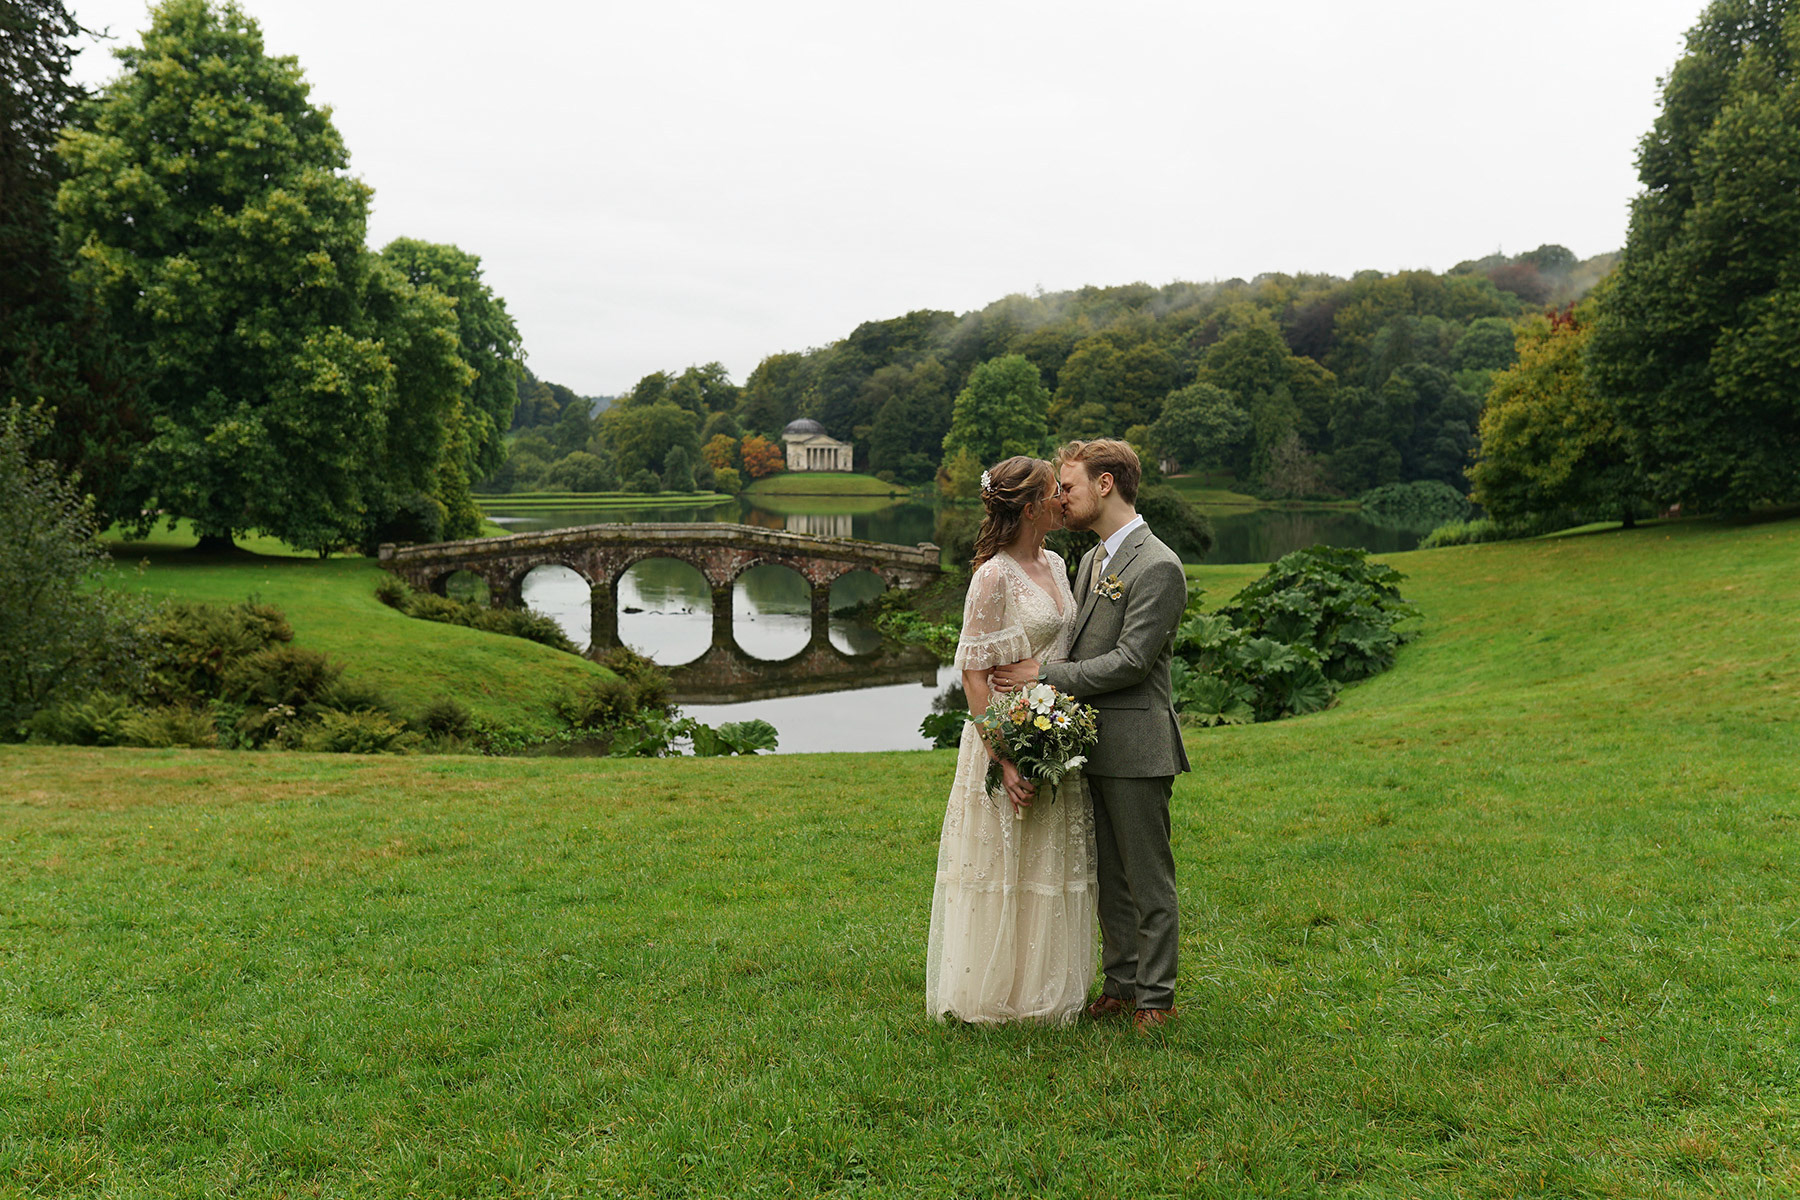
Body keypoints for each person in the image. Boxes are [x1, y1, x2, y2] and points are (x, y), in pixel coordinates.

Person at [991, 439, 1189, 1032]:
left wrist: (1042, 675)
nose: (1061, 498)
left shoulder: (1158, 566)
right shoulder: (1089, 562)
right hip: (1090, 745)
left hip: (1138, 747)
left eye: (1070, 486)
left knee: (1148, 879)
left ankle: (1156, 998)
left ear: (1106, 484)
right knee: (1107, 879)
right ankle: (1121, 985)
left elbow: (1131, 661)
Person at [924, 455, 1098, 1024]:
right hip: (1007, 734)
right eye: (1054, 492)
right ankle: (992, 992)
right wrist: (1003, 756)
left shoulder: (1057, 560)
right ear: (1029, 509)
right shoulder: (993, 576)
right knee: (1005, 863)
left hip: (1054, 730)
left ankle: (1044, 992)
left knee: (1048, 860)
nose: (1063, 499)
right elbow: (975, 675)